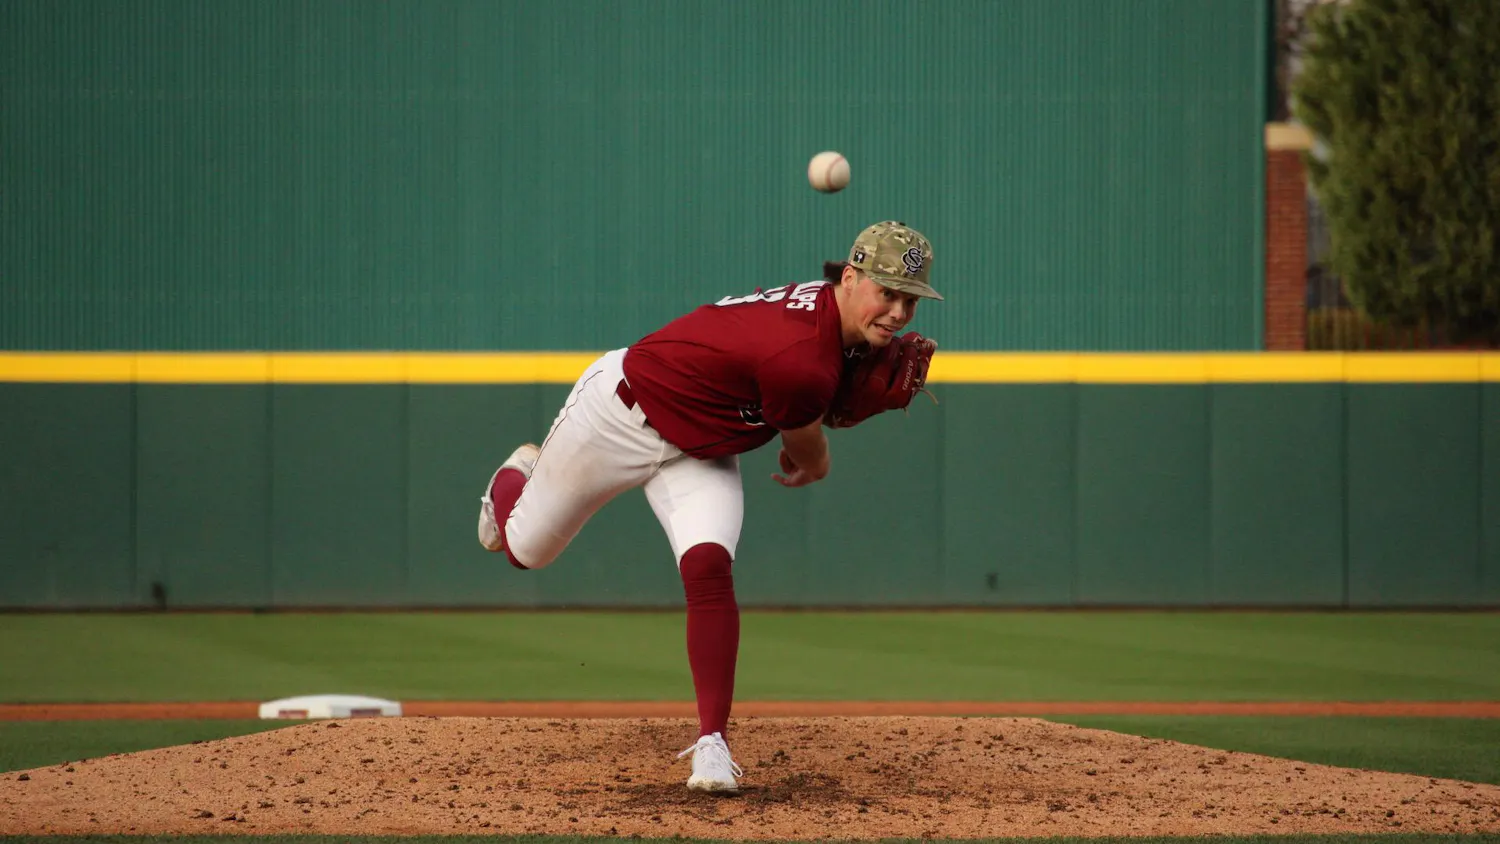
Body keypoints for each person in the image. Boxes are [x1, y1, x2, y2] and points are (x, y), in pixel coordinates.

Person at [476, 220, 943, 793]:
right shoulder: (803, 359)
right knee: (523, 551)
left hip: (701, 448)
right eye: (886, 291)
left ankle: (712, 744)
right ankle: (516, 476)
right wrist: (817, 462)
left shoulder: (832, 329)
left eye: (910, 299)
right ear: (849, 278)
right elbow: (805, 449)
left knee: (709, 569)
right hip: (618, 415)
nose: (898, 313)